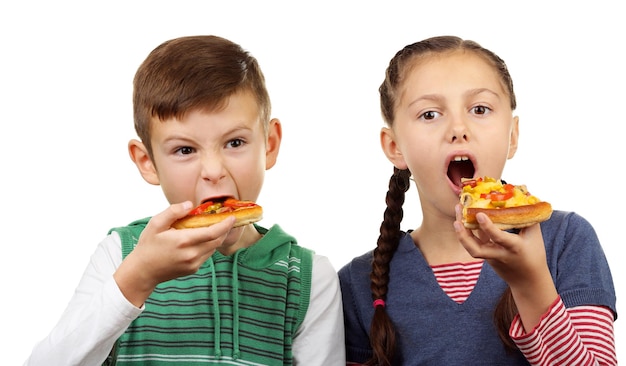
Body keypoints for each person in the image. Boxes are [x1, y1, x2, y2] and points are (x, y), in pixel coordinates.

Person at [25, 35, 345, 365]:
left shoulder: (308, 277)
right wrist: (137, 277)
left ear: (270, 143)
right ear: (147, 162)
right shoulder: (120, 255)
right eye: (185, 150)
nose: (213, 170)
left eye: (234, 142)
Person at [338, 35, 617, 365]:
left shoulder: (566, 241)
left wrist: (531, 284)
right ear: (394, 146)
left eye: (480, 109)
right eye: (429, 114)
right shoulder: (358, 283)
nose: (458, 128)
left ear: (512, 136)